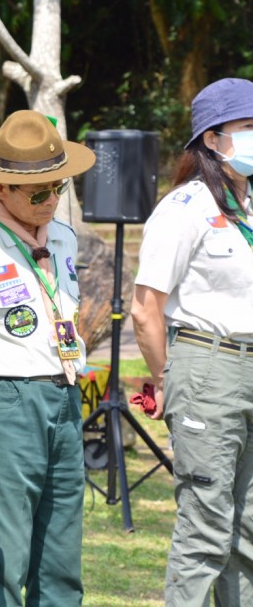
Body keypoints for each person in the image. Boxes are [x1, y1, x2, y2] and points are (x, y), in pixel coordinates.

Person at [0, 110, 95, 606]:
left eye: (58, 186)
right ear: (0, 187)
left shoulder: (62, 237)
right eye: (38, 193)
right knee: (4, 557)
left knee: (61, 558)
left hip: (63, 394)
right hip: (7, 401)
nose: (52, 200)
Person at [131, 77, 253, 606]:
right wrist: (167, 378)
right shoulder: (184, 208)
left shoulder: (249, 204)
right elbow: (144, 308)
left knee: (248, 527)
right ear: (212, 138)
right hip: (207, 366)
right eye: (248, 127)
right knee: (206, 525)